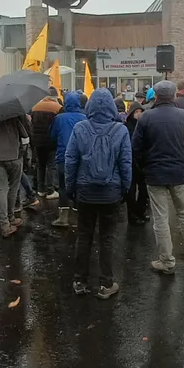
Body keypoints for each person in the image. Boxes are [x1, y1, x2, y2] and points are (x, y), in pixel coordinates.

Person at [64, 88, 131, 299]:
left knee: (84, 237)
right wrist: (125, 189)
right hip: (111, 192)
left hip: (84, 191)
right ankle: (106, 284)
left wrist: (70, 188)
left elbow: (70, 160)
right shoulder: (120, 130)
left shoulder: (79, 128)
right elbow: (126, 164)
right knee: (107, 239)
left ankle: (79, 281)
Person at [134, 80, 184, 273]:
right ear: (173, 96)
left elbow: (136, 148)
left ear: (155, 96)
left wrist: (145, 167)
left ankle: (167, 261)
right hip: (179, 173)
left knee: (161, 218)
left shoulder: (146, 118)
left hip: (155, 175)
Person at [49, 92, 86, 229]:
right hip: (81, 158)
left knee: (63, 186)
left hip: (62, 157)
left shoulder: (59, 118)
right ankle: (78, 219)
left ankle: (63, 218)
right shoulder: (84, 117)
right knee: (78, 186)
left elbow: (52, 136)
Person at [30, 89, 61, 199]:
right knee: (51, 165)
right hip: (51, 141)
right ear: (54, 97)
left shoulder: (35, 107)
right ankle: (50, 190)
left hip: (37, 141)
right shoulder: (57, 108)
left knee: (41, 166)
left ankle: (41, 189)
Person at [124, 101, 148, 224]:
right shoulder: (127, 127)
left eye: (140, 112)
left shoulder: (144, 125)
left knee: (144, 190)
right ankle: (132, 216)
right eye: (136, 112)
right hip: (131, 162)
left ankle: (140, 211)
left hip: (142, 162)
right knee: (131, 192)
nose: (138, 114)